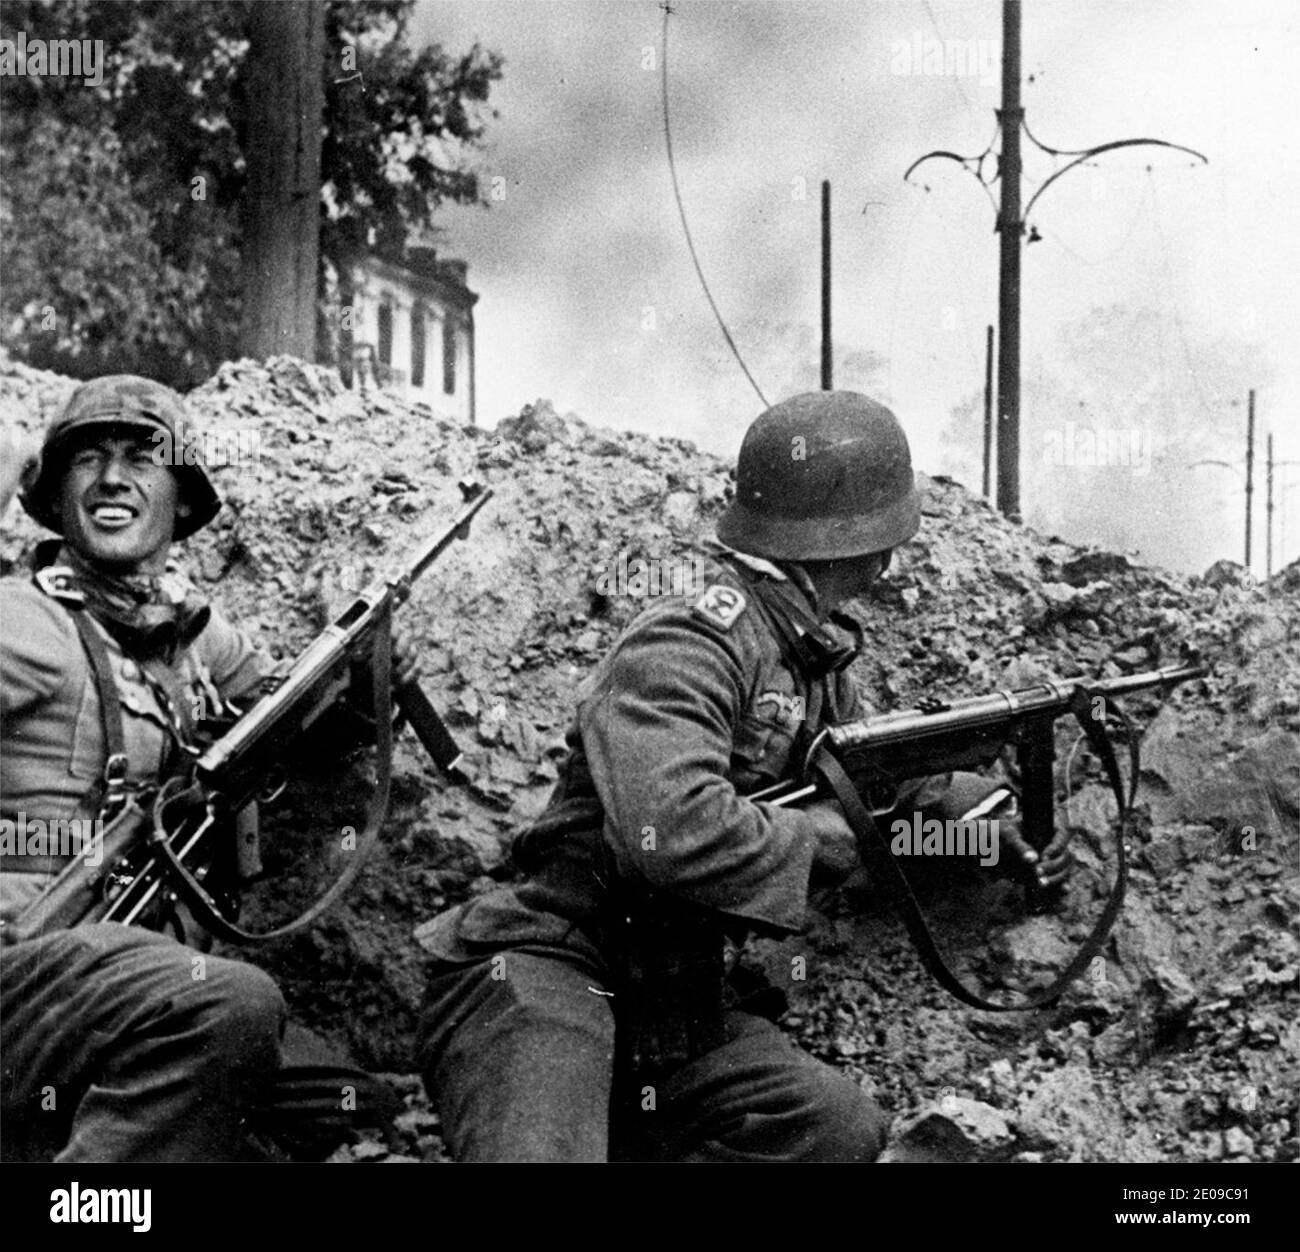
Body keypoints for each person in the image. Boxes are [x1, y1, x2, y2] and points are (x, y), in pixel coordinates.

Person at [414, 390, 1073, 1162]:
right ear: (872, 542)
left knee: (830, 1130)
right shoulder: (692, 638)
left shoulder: (811, 660)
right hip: (551, 963)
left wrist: (981, 839)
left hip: (670, 1004)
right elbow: (672, 831)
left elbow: (881, 804)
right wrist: (821, 838)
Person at [0, 375, 411, 1162]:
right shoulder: (28, 620)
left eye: (142, 459)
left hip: (119, 986)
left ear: (182, 501)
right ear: (56, 497)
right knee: (230, 1004)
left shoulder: (192, 638)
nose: (114, 477)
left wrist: (366, 692)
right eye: (88, 459)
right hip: (25, 973)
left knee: (320, 1090)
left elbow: (289, 733)